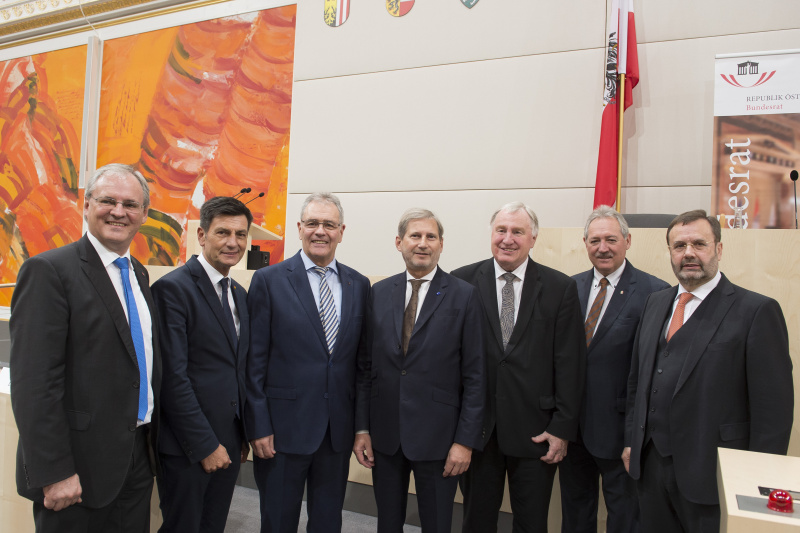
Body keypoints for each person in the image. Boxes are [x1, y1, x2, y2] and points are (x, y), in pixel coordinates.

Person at [10, 163, 160, 532]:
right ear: (87, 205)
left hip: (136, 458)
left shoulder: (139, 273)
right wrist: (54, 472)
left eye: (130, 204)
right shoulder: (49, 271)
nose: (118, 212)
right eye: (108, 201)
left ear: (144, 214)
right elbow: (34, 384)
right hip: (77, 468)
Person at [623, 209, 794, 533]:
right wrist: (632, 439)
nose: (688, 253)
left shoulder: (756, 311)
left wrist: (760, 480)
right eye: (679, 246)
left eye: (699, 244)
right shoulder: (655, 303)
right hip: (651, 470)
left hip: (716, 475)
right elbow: (637, 381)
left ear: (719, 248)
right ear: (670, 252)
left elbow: (774, 412)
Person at [451, 201, 586, 533]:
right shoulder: (461, 282)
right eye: (501, 230)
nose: (508, 239)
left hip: (536, 431)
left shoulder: (560, 287)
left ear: (533, 238)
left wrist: (561, 428)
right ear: (491, 234)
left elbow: (570, 363)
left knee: (531, 523)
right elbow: (451, 359)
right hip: (478, 431)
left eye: (518, 232)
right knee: (476, 520)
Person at [354, 208, 485, 533]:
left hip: (440, 441)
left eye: (431, 237)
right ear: (399, 242)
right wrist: (362, 428)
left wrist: (465, 442)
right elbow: (366, 368)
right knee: (387, 524)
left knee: (437, 525)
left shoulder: (464, 295)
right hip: (386, 436)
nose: (423, 243)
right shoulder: (379, 292)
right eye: (415, 236)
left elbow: (476, 377)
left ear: (441, 244)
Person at [245, 192, 370, 532]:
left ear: (341, 231)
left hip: (336, 433)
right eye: (312, 223)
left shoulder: (359, 285)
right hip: (281, 431)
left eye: (329, 224)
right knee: (278, 521)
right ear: (300, 228)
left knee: (328, 522)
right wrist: (258, 425)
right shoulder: (268, 281)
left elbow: (361, 367)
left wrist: (361, 427)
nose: (320, 231)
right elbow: (254, 363)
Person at [558, 206, 669, 533]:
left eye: (611, 239)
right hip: (572, 430)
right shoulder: (569, 287)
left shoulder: (655, 292)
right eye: (595, 240)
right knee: (575, 514)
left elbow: (655, 370)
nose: (602, 248)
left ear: (627, 241)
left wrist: (637, 434)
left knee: (625, 517)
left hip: (621, 431)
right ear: (585, 243)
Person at [151, 196, 253, 532]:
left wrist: (240, 436)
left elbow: (236, 369)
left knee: (213, 526)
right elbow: (173, 378)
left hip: (228, 439)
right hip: (188, 445)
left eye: (240, 234)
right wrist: (205, 445)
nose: (232, 242)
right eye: (223, 232)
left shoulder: (238, 293)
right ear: (201, 235)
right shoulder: (172, 289)